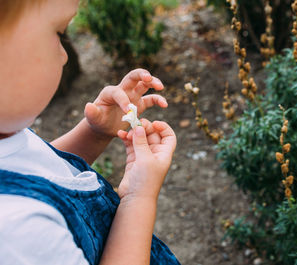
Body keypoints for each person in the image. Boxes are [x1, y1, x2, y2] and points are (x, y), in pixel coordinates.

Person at [0, 0, 180, 264]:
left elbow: (38, 173)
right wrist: (138, 198)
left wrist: (95, 132)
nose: (64, 55)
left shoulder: (6, 133)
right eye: (59, 33)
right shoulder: (18, 233)